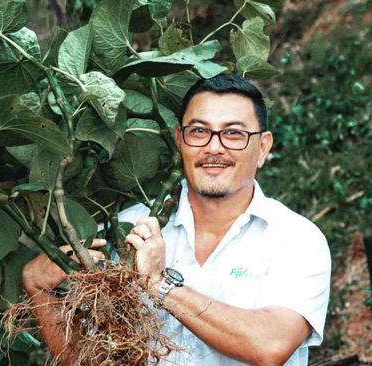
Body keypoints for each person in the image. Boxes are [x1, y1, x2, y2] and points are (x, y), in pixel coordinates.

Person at [22, 74, 332, 366]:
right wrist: (40, 291)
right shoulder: (128, 231)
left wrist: (160, 285)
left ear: (262, 147)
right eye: (199, 131)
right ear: (179, 139)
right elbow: (90, 358)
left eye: (233, 133)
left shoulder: (296, 239)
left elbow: (270, 345)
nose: (214, 147)